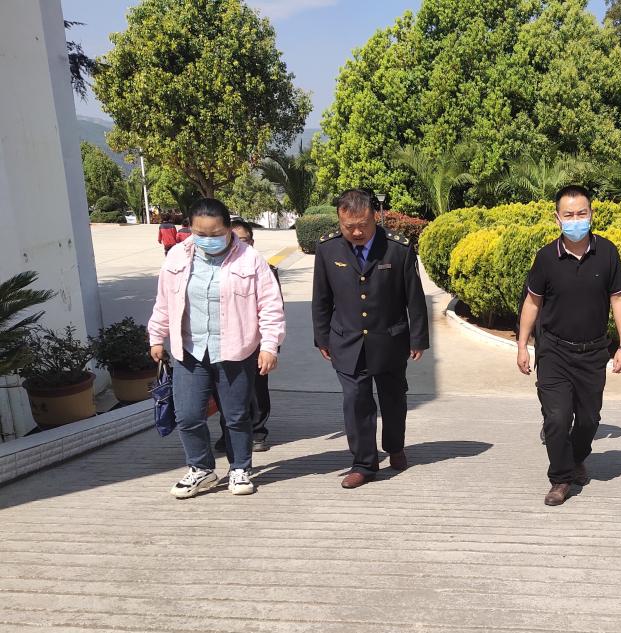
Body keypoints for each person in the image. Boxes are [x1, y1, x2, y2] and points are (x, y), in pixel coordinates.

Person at [148, 198, 286, 498]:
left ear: (228, 229)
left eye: (215, 233)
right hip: (190, 350)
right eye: (201, 233)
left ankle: (239, 468)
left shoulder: (250, 259)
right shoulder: (177, 257)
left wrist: (269, 345)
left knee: (236, 416)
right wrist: (156, 337)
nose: (208, 239)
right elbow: (164, 301)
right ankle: (201, 469)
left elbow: (270, 306)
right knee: (187, 415)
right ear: (190, 228)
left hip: (235, 350)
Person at [517, 185, 621, 506]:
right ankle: (560, 479)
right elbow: (532, 303)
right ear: (557, 219)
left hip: (593, 352)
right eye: (568, 215)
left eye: (582, 213)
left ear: (592, 214)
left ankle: (577, 457)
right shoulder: (546, 258)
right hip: (554, 350)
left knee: (588, 420)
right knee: (556, 417)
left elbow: (619, 299)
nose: (576, 220)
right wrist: (523, 345)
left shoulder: (607, 253)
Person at [312, 188, 429, 489]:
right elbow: (321, 298)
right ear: (339, 221)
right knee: (356, 401)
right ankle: (364, 463)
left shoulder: (398, 249)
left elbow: (414, 298)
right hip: (346, 341)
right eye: (348, 226)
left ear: (375, 216)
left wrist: (418, 338)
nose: (356, 232)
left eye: (363, 224)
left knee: (393, 399)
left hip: (389, 340)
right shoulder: (328, 249)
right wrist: (322, 337)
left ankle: (395, 446)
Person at [213, 220, 281, 453]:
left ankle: (258, 431)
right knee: (224, 388)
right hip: (224, 340)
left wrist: (270, 345)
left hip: (255, 340)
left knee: (256, 388)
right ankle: (228, 433)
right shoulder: (215, 269)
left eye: (243, 240)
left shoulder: (264, 268)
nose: (236, 244)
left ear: (252, 242)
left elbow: (274, 307)